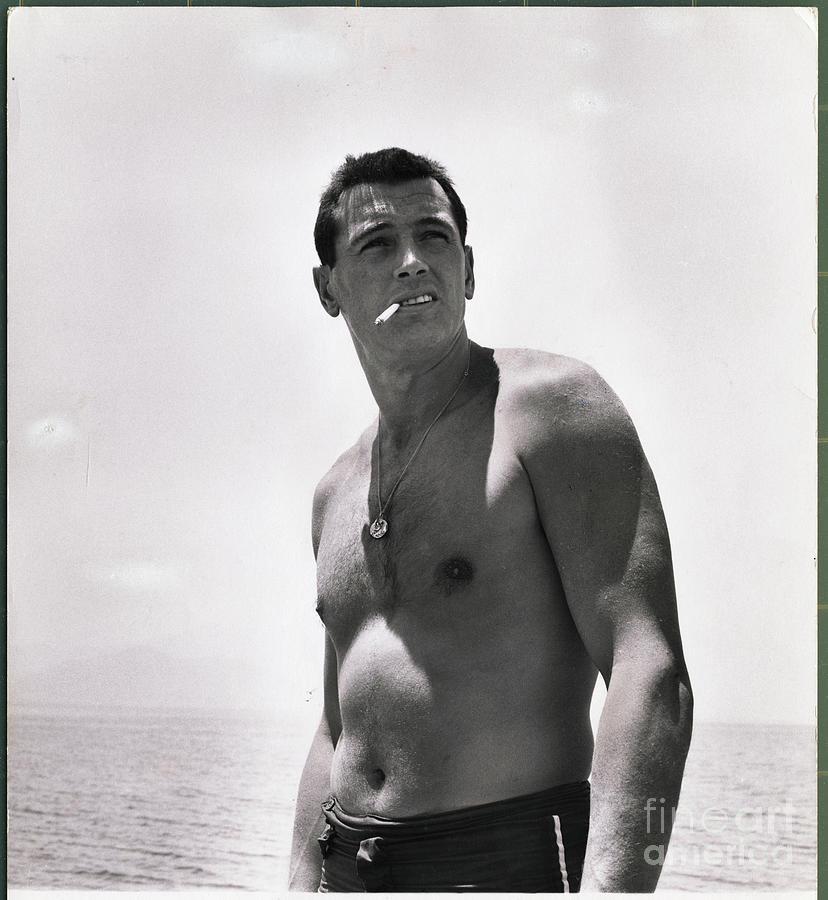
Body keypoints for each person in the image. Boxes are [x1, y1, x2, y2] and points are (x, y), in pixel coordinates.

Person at [289, 148, 693, 893]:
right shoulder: (336, 492)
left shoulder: (551, 410)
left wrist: (614, 891)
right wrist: (299, 882)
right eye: (378, 244)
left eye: (434, 237)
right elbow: (337, 727)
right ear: (329, 289)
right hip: (348, 870)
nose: (413, 262)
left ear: (468, 270)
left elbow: (649, 668)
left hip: (505, 863)